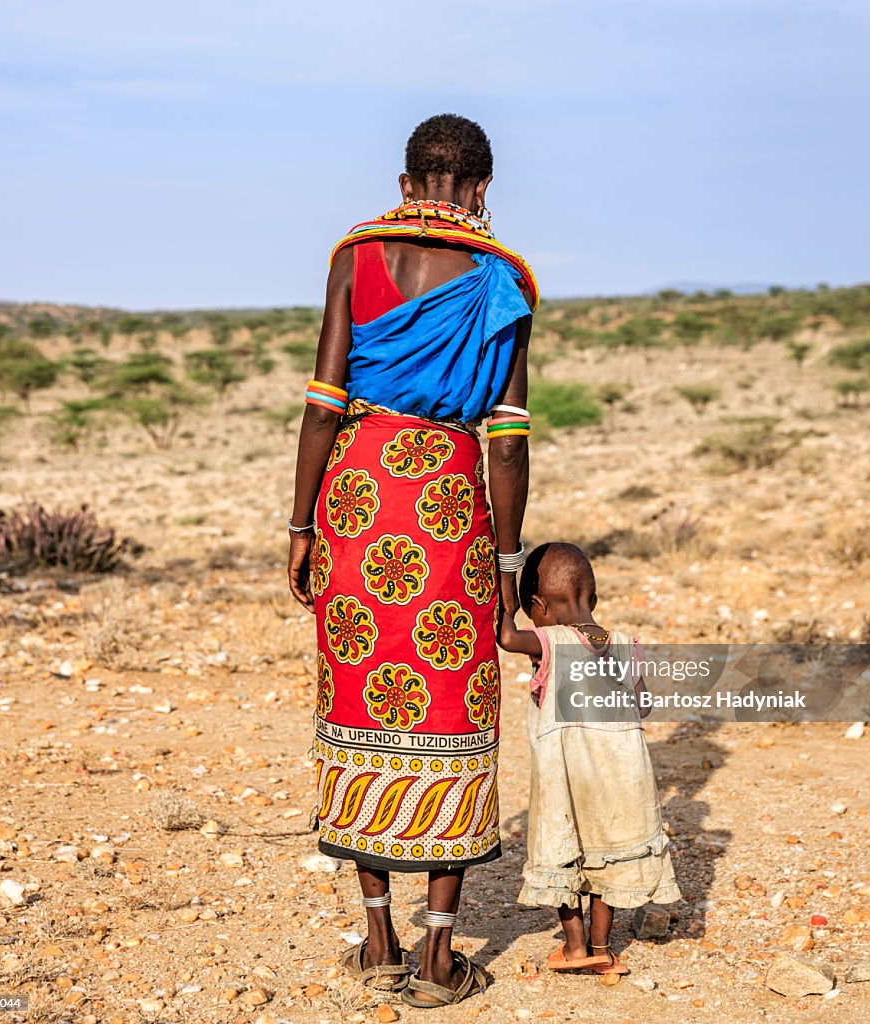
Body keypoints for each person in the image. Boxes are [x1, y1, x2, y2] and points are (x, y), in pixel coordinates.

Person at [288, 114, 538, 1007]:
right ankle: (438, 958)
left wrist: (301, 525)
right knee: (449, 703)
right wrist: (508, 573)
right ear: (480, 189)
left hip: (356, 498)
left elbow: (323, 402)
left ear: (405, 186)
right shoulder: (504, 279)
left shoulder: (354, 257)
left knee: (359, 695)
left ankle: (377, 938)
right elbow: (505, 440)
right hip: (445, 507)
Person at [498, 542, 682, 975]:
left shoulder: (551, 641)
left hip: (566, 775)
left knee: (564, 850)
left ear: (538, 605)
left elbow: (505, 638)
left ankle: (576, 946)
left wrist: (503, 599)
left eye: (530, 612)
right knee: (609, 857)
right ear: (594, 600)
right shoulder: (624, 644)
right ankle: (603, 948)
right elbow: (642, 706)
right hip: (621, 776)